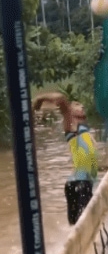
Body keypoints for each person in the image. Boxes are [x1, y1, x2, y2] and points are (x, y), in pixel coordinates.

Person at [33, 93, 98, 225]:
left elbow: (88, 161)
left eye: (83, 116)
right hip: (79, 184)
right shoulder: (73, 129)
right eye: (77, 116)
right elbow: (61, 99)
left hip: (83, 183)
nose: (81, 118)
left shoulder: (86, 134)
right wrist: (41, 99)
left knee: (79, 227)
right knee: (84, 227)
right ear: (70, 117)